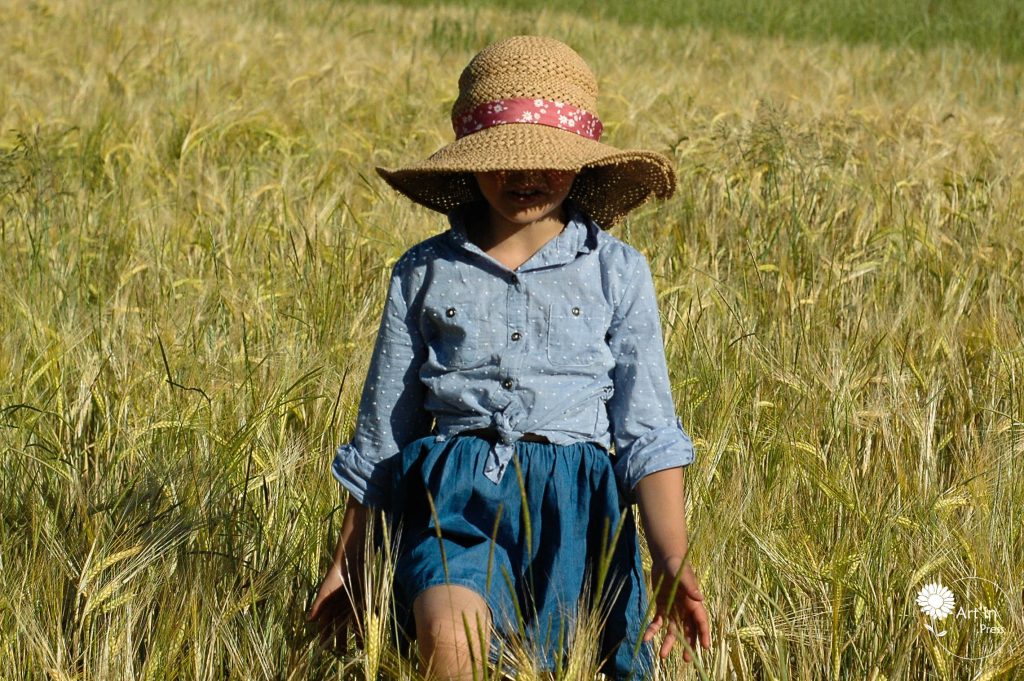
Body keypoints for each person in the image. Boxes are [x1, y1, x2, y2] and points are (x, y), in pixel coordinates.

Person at [308, 35, 711, 680]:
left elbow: (648, 431)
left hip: (581, 516)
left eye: (548, 159)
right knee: (448, 635)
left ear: (582, 162)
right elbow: (385, 431)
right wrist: (351, 558)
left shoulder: (617, 271)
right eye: (502, 160)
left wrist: (671, 558)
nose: (525, 176)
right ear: (468, 162)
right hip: (456, 499)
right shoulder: (424, 272)